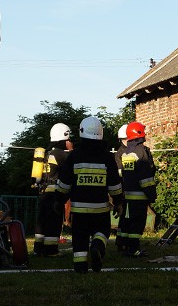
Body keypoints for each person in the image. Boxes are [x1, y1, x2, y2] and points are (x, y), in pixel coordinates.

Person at [56, 116, 123, 273]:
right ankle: (97, 247)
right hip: (101, 209)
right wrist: (118, 202)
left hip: (79, 211)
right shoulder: (107, 157)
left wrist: (58, 200)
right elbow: (115, 185)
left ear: (82, 132)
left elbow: (64, 183)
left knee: (80, 238)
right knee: (102, 232)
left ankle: (80, 267)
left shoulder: (74, 156)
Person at [118, 121, 157, 257]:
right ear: (139, 133)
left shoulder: (127, 152)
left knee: (128, 222)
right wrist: (151, 194)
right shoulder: (141, 151)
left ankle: (126, 247)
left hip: (128, 195)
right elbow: (145, 177)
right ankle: (134, 250)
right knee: (137, 224)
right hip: (139, 196)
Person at [33, 123, 73, 256]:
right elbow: (72, 165)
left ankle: (38, 248)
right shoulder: (60, 154)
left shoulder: (46, 152)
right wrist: (71, 150)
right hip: (54, 192)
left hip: (43, 191)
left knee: (42, 221)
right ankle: (51, 250)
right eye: (68, 138)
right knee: (53, 221)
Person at [113, 124, 128, 251]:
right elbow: (120, 173)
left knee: (125, 216)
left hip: (124, 188)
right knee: (124, 216)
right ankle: (122, 242)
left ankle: (121, 241)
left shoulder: (121, 152)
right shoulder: (121, 153)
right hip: (124, 189)